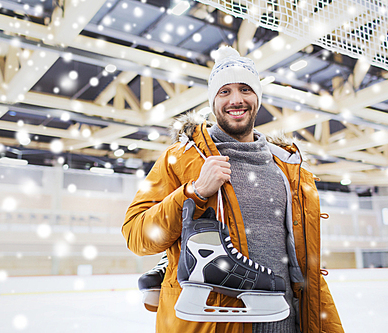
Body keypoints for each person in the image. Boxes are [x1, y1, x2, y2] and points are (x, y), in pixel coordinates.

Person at [122, 45, 344, 333]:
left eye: (245, 89)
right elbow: (137, 236)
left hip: (286, 321)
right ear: (213, 100)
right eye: (224, 91)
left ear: (258, 98)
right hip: (215, 323)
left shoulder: (287, 169)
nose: (236, 100)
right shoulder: (180, 159)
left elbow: (304, 265)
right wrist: (194, 193)